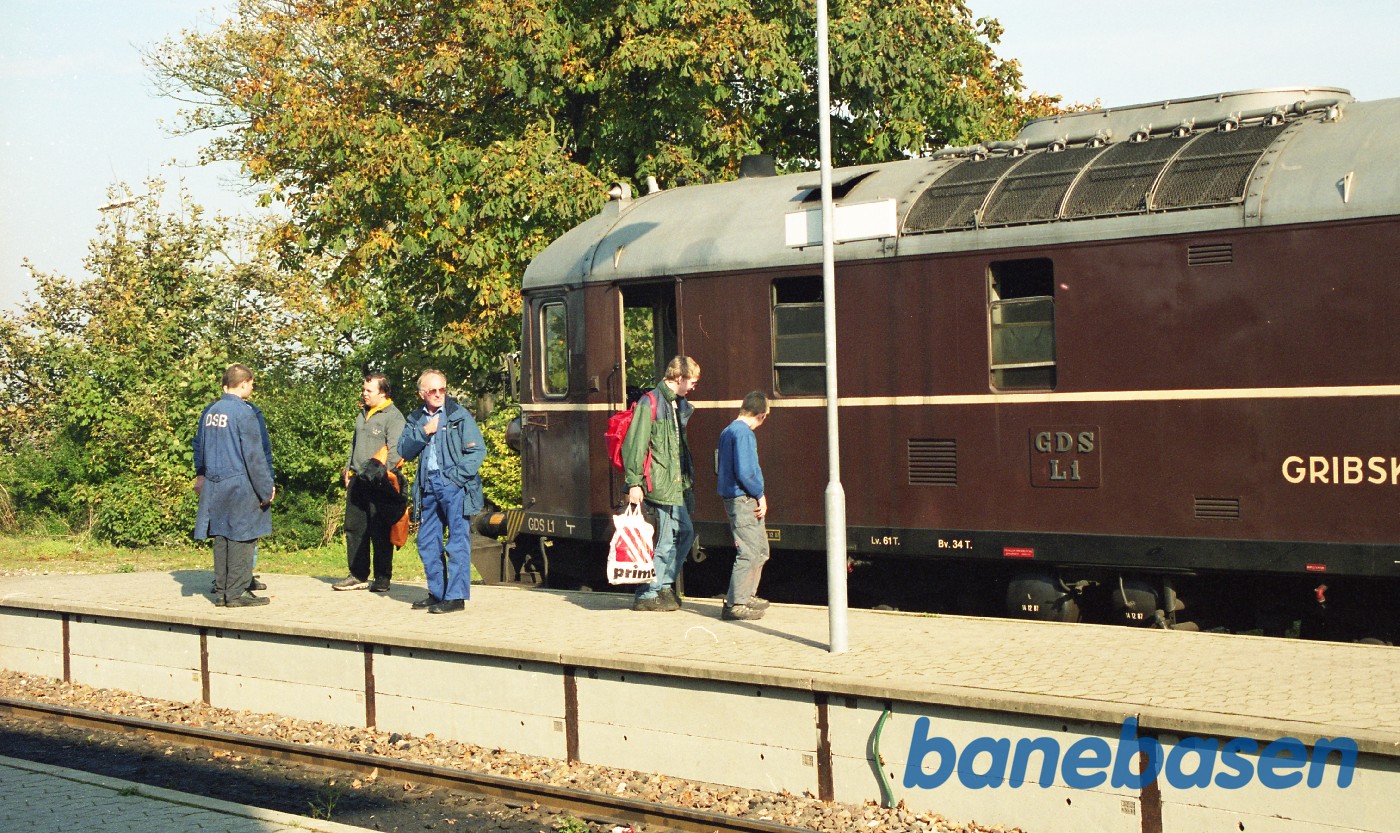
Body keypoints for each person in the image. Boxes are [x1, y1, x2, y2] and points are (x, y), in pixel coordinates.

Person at [397, 369, 486, 614]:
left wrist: (456, 478)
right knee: (427, 542)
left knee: (457, 542)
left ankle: (456, 597)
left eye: (442, 390)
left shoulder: (459, 415)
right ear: (421, 393)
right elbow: (403, 451)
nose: (439, 395)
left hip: (453, 485)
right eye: (432, 390)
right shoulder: (416, 418)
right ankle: (437, 593)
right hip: (427, 486)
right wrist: (425, 431)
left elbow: (477, 451)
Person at [621, 355, 700, 612]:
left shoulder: (678, 404)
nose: (694, 386)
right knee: (665, 540)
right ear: (679, 377)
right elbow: (636, 443)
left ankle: (663, 584)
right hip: (661, 483)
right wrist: (634, 483)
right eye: (692, 381)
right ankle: (647, 592)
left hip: (675, 483)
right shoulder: (650, 402)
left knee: (685, 533)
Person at [193, 364, 275, 607]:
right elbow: (254, 456)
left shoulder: (211, 412)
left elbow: (203, 449)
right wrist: (265, 488)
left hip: (215, 484)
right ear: (244, 383)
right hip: (240, 484)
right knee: (243, 537)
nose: (251, 388)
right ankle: (237, 593)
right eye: (251, 384)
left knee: (222, 537)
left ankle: (221, 592)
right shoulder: (244, 412)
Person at [335, 373, 407, 593]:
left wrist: (382, 476)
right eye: (364, 390)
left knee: (380, 530)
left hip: (380, 482)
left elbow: (396, 452)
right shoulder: (362, 413)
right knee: (354, 528)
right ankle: (357, 574)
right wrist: (348, 469)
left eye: (369, 391)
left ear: (382, 392)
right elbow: (354, 444)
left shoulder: (394, 417)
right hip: (358, 479)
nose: (364, 394)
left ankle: (382, 577)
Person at [717, 391, 772, 621]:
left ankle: (747, 594)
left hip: (737, 497)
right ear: (761, 415)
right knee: (749, 552)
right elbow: (746, 471)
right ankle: (735, 604)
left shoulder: (728, 430)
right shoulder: (744, 434)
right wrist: (759, 494)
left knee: (760, 550)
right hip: (744, 499)